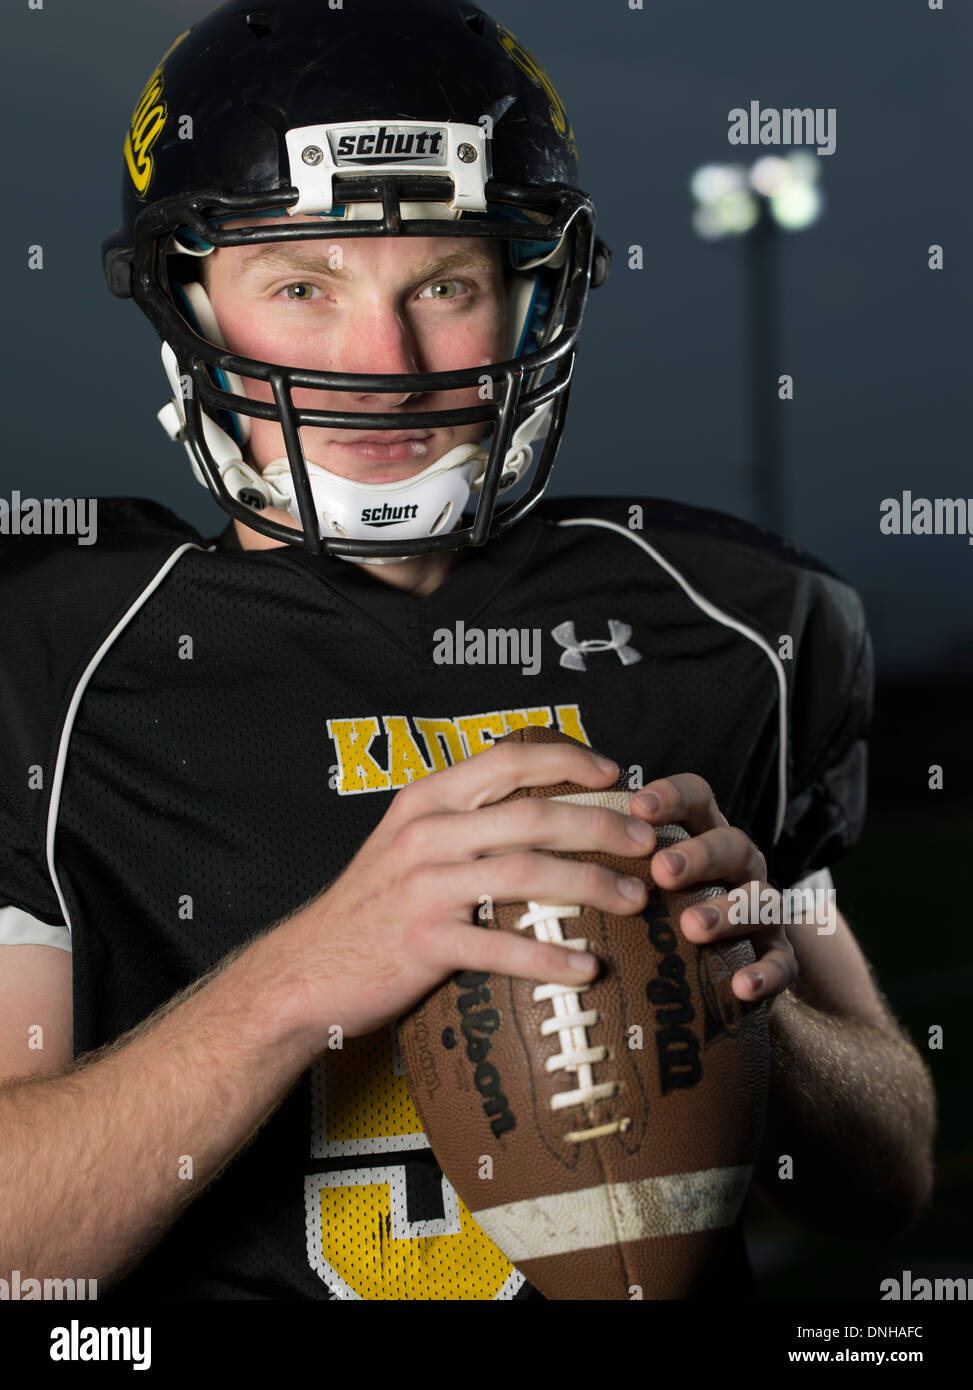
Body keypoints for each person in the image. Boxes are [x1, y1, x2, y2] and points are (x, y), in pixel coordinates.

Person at [0, 0, 934, 1301]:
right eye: (300, 286)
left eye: (443, 283)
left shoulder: (732, 626)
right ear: (191, 302)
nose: (384, 363)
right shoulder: (57, 660)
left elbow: (886, 1171)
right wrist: (305, 971)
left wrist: (752, 1012)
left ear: (532, 291)